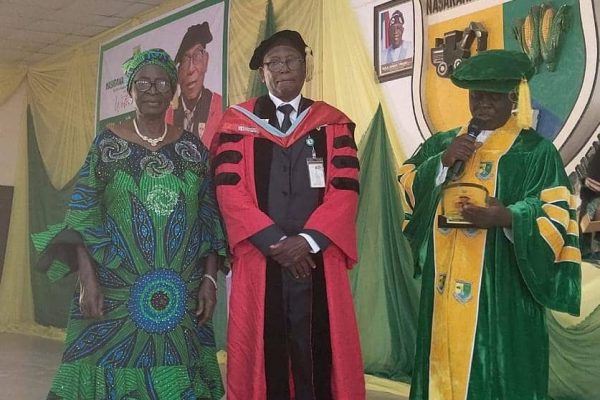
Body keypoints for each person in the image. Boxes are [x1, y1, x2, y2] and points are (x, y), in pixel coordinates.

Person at [32, 48, 227, 399]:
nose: (152, 89)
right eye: (143, 82)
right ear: (130, 90)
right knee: (105, 360)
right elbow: (82, 213)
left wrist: (210, 278)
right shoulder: (107, 143)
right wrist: (87, 279)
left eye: (161, 82)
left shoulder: (194, 149)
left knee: (177, 366)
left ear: (173, 91)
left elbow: (209, 218)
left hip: (179, 291)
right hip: (114, 284)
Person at [398, 50, 581, 399]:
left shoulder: (535, 152)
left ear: (513, 98)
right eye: (476, 95)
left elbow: (557, 212)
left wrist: (509, 217)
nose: (482, 104)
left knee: (498, 367)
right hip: (444, 282)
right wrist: (442, 162)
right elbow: (407, 183)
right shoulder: (444, 142)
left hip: (501, 286)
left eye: (493, 97)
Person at [213, 30, 365, 400]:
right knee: (264, 348)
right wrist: (276, 242)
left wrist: (307, 241)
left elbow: (345, 188)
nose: (283, 68)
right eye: (274, 62)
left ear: (305, 67)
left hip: (317, 256)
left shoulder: (332, 123)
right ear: (262, 72)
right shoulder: (238, 123)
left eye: (291, 60)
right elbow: (228, 189)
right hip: (261, 255)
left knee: (319, 344)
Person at [166, 22, 223, 148]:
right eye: (185, 60)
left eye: (197, 56)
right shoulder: (168, 116)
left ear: (206, 60)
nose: (191, 69)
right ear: (177, 73)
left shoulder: (220, 107)